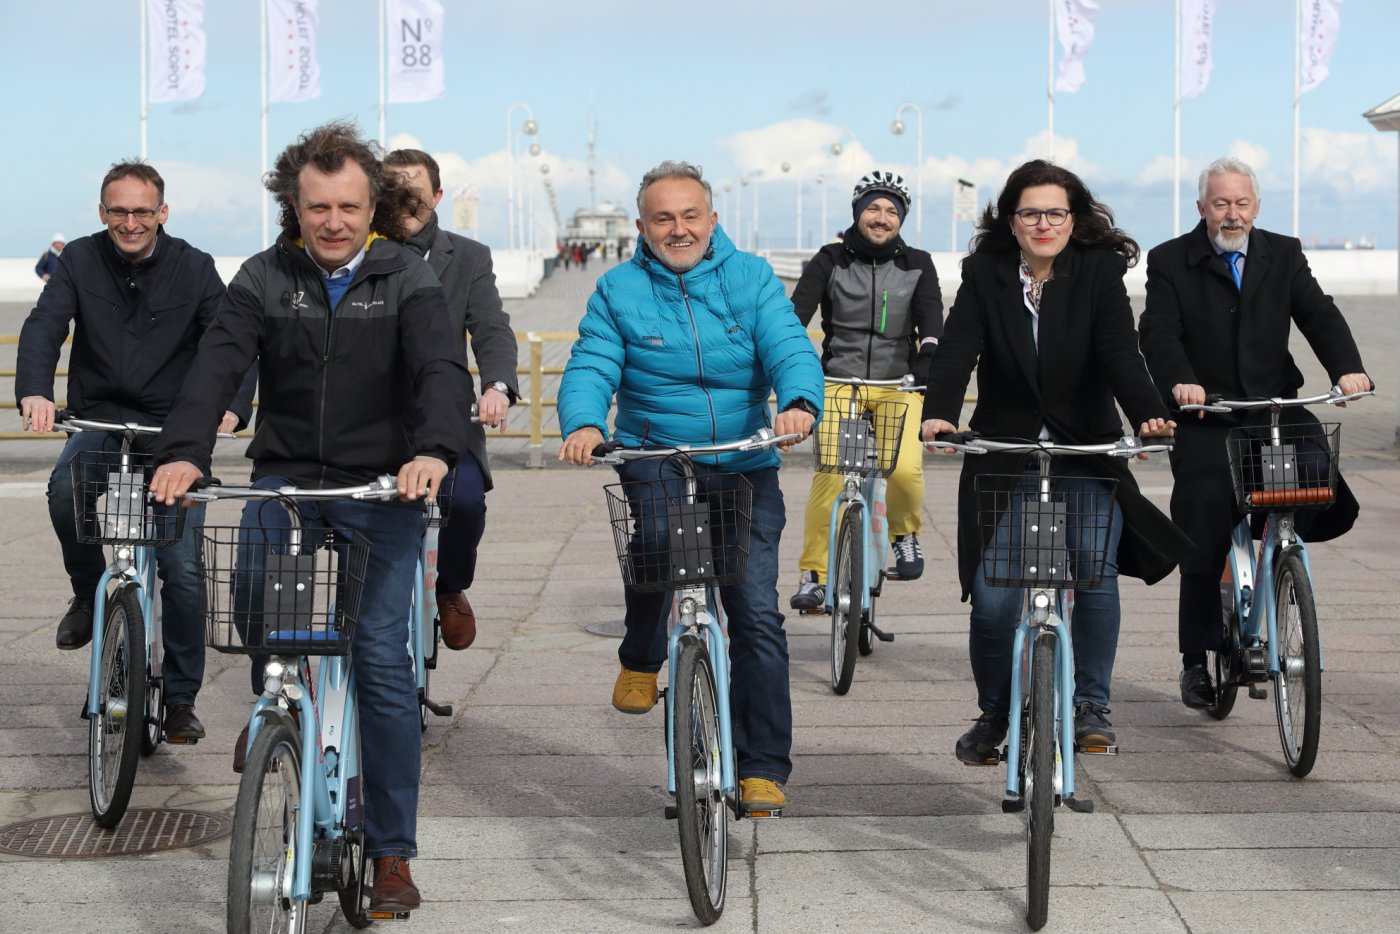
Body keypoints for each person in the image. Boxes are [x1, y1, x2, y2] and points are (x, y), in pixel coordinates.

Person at [148, 121, 473, 913]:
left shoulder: (408, 279)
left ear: (376, 207)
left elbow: (439, 367)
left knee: (383, 665)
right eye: (317, 206)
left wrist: (431, 450)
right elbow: (216, 363)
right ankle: (276, 700)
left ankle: (393, 851)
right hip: (287, 475)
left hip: (381, 487)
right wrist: (186, 449)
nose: (332, 222)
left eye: (349, 206)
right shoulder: (264, 276)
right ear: (294, 205)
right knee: (252, 580)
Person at [558, 160, 824, 812]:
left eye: (690, 215)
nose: (679, 229)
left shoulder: (752, 277)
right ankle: (643, 655)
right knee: (651, 540)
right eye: (663, 218)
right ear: (643, 227)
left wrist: (796, 401)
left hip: (741, 457)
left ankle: (762, 764)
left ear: (712, 218)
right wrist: (586, 422)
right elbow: (593, 359)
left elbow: (789, 344)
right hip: (655, 451)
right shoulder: (618, 289)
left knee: (755, 609)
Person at [919, 159, 1190, 764]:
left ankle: (1092, 704)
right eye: (1030, 213)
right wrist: (939, 413)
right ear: (1010, 221)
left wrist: (1147, 414)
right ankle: (994, 713)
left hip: (1084, 446)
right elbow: (960, 346)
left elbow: (1121, 351)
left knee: (1092, 572)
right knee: (991, 598)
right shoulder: (984, 272)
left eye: (1056, 213)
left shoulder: (1097, 271)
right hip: (1004, 450)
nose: (1044, 224)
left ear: (1075, 218)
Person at [16, 161, 251, 743]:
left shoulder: (194, 268)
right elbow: (46, 324)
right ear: (102, 213)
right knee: (65, 491)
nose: (130, 222)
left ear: (161, 213)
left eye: (142, 211)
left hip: (175, 431)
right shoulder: (78, 260)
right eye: (118, 211)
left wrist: (232, 406)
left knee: (182, 569)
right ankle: (85, 587)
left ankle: (178, 700)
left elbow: (229, 341)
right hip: (99, 417)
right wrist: (36, 391)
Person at [1138, 156, 1371, 710]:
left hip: (1272, 408)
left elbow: (1319, 314)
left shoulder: (1283, 252)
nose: (1232, 214)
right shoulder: (1170, 259)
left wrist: (1347, 368)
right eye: (1221, 203)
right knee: (1202, 510)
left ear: (1257, 207)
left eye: (1242, 203)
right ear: (1202, 208)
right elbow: (1158, 334)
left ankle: (1279, 553)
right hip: (1207, 415)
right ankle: (1196, 656)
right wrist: (1181, 383)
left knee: (1321, 476)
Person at [788, 171, 943, 611]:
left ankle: (903, 533)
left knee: (906, 469)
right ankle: (814, 572)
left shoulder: (917, 263)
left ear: (901, 220)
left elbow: (932, 321)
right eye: (873, 208)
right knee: (831, 475)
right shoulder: (830, 259)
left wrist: (926, 361)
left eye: (892, 211)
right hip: (839, 381)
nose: (881, 217)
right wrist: (793, 360)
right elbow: (796, 315)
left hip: (899, 384)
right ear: (857, 212)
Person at [385, 147, 519, 650]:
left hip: (445, 414)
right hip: (372, 418)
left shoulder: (467, 256)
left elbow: (491, 329)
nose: (404, 201)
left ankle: (450, 587)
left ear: (437, 195)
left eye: (414, 192)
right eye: (392, 191)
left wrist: (496, 386)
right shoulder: (356, 252)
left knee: (464, 503)